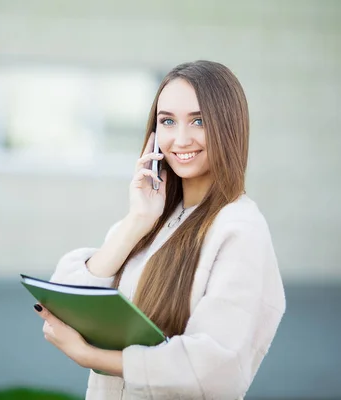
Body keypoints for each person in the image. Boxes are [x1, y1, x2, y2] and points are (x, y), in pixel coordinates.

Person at [33, 60, 286, 399]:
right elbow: (66, 294)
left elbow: (215, 367)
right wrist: (137, 220)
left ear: (229, 126)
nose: (181, 139)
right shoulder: (153, 219)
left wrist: (90, 357)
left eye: (199, 121)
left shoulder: (239, 228)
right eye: (167, 121)